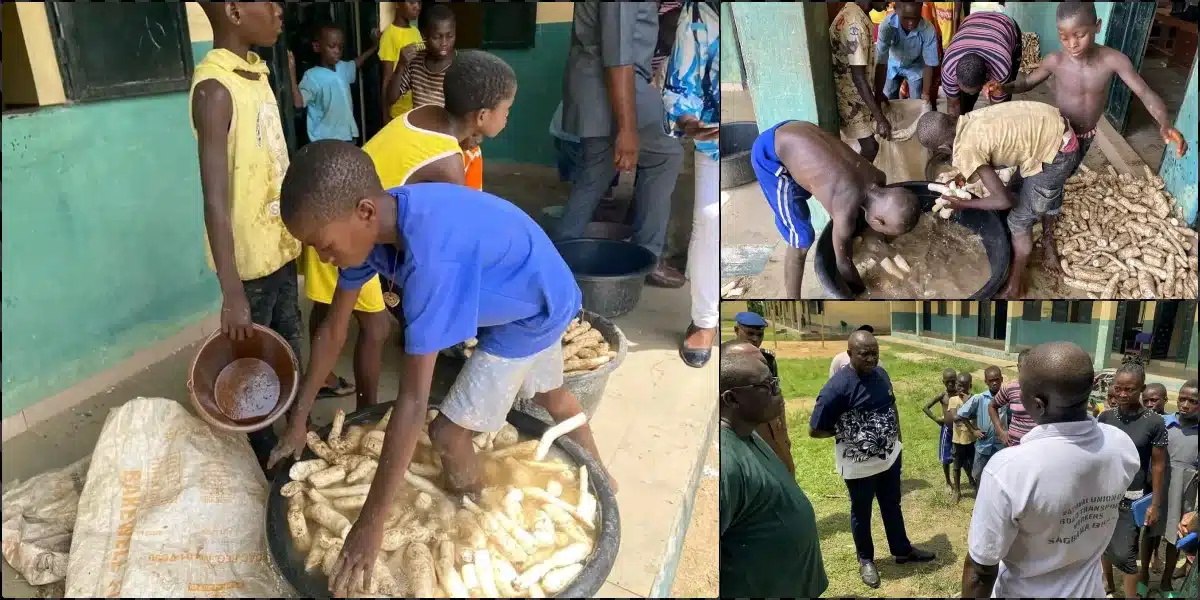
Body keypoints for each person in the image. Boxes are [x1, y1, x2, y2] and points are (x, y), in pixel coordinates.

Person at [270, 144, 614, 595]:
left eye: (324, 246)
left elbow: (413, 403)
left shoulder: (432, 258)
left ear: (365, 211)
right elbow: (333, 332)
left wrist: (369, 528)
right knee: (550, 395)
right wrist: (298, 423)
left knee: (448, 434)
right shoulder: (374, 229)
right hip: (530, 285)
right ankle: (604, 478)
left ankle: (474, 498)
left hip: (532, 311)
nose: (323, 257)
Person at [191, 2, 302, 469]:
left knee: (288, 350)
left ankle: (295, 434)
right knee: (251, 367)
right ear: (234, 11)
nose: (280, 10)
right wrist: (231, 291)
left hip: (278, 251)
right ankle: (260, 456)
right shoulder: (215, 90)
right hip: (248, 271)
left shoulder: (257, 73)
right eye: (268, 2)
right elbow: (215, 200)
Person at [961, 342, 1139, 598]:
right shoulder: (1121, 445)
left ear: (1037, 404)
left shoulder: (1008, 471)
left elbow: (981, 571)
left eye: (1021, 388)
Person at [557, 1, 686, 289]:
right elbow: (617, 59)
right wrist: (627, 130)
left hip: (603, 86)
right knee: (666, 155)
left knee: (596, 172)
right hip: (612, 85)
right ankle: (649, 256)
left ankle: (555, 259)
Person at [915, 102, 1081, 298]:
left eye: (941, 151)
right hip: (1052, 127)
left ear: (943, 147)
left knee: (1018, 221)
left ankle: (1015, 286)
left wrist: (962, 204)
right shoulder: (968, 120)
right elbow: (992, 147)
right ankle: (1017, 233)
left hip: (1057, 154)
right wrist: (962, 177)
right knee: (1016, 191)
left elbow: (1003, 201)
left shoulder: (966, 149)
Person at [810, 330, 935, 589]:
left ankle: (902, 550)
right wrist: (852, 434)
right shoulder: (837, 387)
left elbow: (892, 406)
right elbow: (815, 429)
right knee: (862, 512)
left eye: (874, 353)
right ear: (849, 354)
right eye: (864, 353)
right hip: (858, 466)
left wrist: (897, 440)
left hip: (889, 458)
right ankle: (866, 559)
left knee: (892, 504)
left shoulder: (881, 374)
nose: (870, 358)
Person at [993, 2, 1187, 162]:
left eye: (1080, 35)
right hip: (1059, 133)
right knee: (1047, 177)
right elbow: (1026, 83)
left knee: (1069, 170)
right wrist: (1002, 87)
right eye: (1064, 37)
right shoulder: (1055, 61)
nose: (1072, 44)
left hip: (1088, 134)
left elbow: (1145, 93)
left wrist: (1164, 122)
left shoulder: (1113, 60)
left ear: (1098, 26)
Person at [750, 121, 920, 298]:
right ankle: (793, 299)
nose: (884, 236)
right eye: (886, 233)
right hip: (770, 156)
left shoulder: (879, 177)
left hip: (796, 131)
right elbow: (843, 264)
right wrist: (863, 293)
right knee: (801, 238)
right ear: (877, 221)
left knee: (806, 187)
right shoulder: (845, 213)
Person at [719, 341, 828, 597]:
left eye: (775, 381)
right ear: (732, 399)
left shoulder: (748, 431)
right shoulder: (726, 465)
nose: (778, 392)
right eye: (766, 386)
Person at [664, 0, 720, 368]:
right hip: (713, 136)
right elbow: (682, 83)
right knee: (710, 218)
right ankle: (705, 320)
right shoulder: (698, 14)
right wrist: (688, 121)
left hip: (770, 125)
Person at [1098, 361, 1169, 598]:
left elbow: (1159, 466)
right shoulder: (1106, 417)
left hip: (1133, 496)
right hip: (1105, 494)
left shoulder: (1154, 422)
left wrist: (1155, 504)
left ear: (1142, 388)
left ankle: (1131, 596)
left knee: (1127, 553)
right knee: (1103, 543)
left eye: (1130, 389)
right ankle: (1108, 584)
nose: (1122, 394)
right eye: (1118, 388)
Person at [289, 25, 380, 146]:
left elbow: (357, 62)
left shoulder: (342, 67)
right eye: (332, 46)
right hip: (326, 142)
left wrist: (374, 47)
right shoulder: (311, 76)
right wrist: (291, 72)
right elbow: (298, 103)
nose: (337, 51)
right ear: (317, 47)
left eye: (340, 47)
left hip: (349, 136)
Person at [830, 1, 892, 162]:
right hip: (849, 98)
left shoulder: (856, 12)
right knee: (871, 148)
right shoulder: (855, 23)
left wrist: (877, 93)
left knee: (871, 146)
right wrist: (880, 118)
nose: (888, 3)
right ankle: (857, 182)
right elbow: (858, 77)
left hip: (855, 95)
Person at [732, 312, 793, 474]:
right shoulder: (726, 360)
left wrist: (783, 433)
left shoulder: (768, 360)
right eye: (750, 333)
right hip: (742, 428)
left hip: (769, 426)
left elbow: (777, 395)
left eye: (760, 334)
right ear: (737, 330)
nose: (755, 339)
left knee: (783, 468)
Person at [940, 10, 1022, 116]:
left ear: (985, 78)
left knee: (1006, 90)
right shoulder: (948, 68)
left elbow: (998, 109)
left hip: (1005, 24)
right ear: (956, 78)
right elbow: (953, 105)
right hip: (972, 20)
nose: (970, 94)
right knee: (964, 107)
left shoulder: (1001, 68)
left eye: (975, 90)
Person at [1159, 379, 1198, 594]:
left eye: (1193, 401)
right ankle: (1144, 575)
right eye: (1182, 399)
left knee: (1176, 537)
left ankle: (1166, 580)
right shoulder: (1164, 423)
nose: (1185, 404)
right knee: (1152, 533)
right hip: (1159, 486)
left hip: (1184, 490)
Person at [385, 4, 456, 111]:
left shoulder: (460, 66)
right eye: (437, 37)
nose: (444, 43)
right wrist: (401, 65)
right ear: (424, 36)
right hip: (418, 127)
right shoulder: (415, 61)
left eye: (450, 36)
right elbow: (391, 99)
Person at [874, 2, 940, 109]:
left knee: (917, 102)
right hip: (891, 64)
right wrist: (878, 91)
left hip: (915, 66)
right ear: (896, 10)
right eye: (905, 18)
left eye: (915, 18)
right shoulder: (886, 26)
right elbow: (881, 61)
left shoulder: (928, 29)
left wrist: (926, 93)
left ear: (920, 10)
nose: (911, 23)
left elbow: (929, 63)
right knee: (888, 98)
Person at [957, 365, 1006, 482]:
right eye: (991, 381)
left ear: (1002, 379)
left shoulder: (1007, 398)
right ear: (986, 382)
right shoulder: (979, 398)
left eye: (997, 380)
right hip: (983, 445)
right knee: (979, 475)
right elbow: (962, 414)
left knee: (999, 475)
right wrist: (973, 430)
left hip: (1000, 445)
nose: (994, 383)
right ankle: (979, 496)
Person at [378, 0, 423, 123]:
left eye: (419, 2)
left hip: (416, 109)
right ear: (397, 4)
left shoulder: (416, 32)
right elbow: (386, 79)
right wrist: (385, 116)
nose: (417, 7)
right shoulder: (389, 35)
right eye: (412, 2)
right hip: (399, 113)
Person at [990, 348, 1035, 446]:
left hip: (1036, 447)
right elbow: (992, 406)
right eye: (1026, 367)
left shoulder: (1045, 388)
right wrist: (1000, 431)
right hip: (1014, 446)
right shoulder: (1010, 387)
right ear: (1019, 367)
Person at [924, 367, 960, 490]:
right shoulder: (943, 396)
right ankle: (948, 482)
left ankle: (963, 480)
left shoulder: (960, 394)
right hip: (947, 430)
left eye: (953, 381)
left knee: (960, 456)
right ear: (943, 382)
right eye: (947, 381)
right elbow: (926, 407)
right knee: (946, 458)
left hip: (958, 431)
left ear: (957, 380)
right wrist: (936, 418)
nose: (950, 384)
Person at [947, 371, 980, 502]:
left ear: (970, 386)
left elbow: (977, 414)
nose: (961, 388)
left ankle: (976, 488)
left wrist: (968, 407)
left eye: (964, 386)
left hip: (972, 440)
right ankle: (957, 490)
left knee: (973, 464)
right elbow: (955, 418)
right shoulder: (953, 400)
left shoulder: (974, 399)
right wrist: (967, 409)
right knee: (956, 466)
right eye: (959, 385)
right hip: (958, 439)